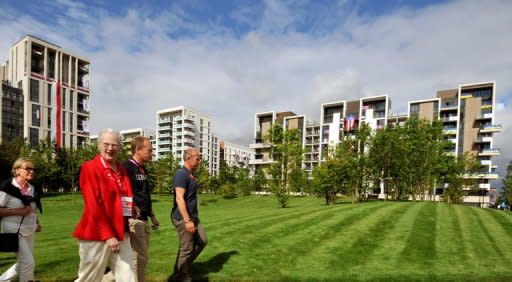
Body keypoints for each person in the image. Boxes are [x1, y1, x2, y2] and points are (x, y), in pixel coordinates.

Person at [73, 128, 135, 282]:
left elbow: (124, 197)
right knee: (89, 278)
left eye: (114, 145)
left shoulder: (122, 170)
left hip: (121, 232)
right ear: (99, 145)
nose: (110, 148)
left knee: (127, 276)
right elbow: (93, 204)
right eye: (106, 144)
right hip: (96, 234)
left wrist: (130, 215)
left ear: (120, 147)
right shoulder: (89, 167)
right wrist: (108, 235)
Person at [105, 136, 160, 282]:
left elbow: (145, 194)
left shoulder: (142, 169)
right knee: (139, 258)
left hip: (144, 219)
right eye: (149, 150)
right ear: (138, 150)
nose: (152, 153)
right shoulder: (125, 168)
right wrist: (128, 217)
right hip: (133, 220)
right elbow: (120, 193)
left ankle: (102, 279)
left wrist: (152, 216)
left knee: (137, 258)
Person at [0, 158, 43, 282]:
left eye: (34, 169)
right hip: (13, 230)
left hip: (29, 229)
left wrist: (37, 223)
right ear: (17, 170)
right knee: (28, 262)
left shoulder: (33, 187)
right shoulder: (7, 186)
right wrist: (19, 211)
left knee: (23, 262)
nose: (32, 171)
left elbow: (33, 208)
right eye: (28, 168)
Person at [170, 148, 207, 281]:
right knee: (186, 249)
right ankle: (180, 275)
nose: (199, 161)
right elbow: (179, 198)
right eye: (197, 158)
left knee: (202, 241)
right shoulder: (181, 174)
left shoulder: (190, 174)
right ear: (188, 159)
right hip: (182, 217)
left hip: (193, 217)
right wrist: (187, 221)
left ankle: (181, 268)